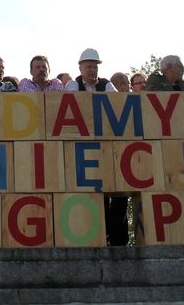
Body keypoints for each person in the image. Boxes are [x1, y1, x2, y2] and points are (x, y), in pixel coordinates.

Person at [65, 47, 127, 246]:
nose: (92, 70)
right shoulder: (74, 84)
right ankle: (99, 236)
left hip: (107, 145)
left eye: (95, 66)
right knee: (93, 194)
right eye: (89, 66)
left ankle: (118, 240)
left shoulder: (106, 84)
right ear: (81, 67)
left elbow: (119, 102)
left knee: (117, 193)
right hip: (84, 147)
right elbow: (72, 105)